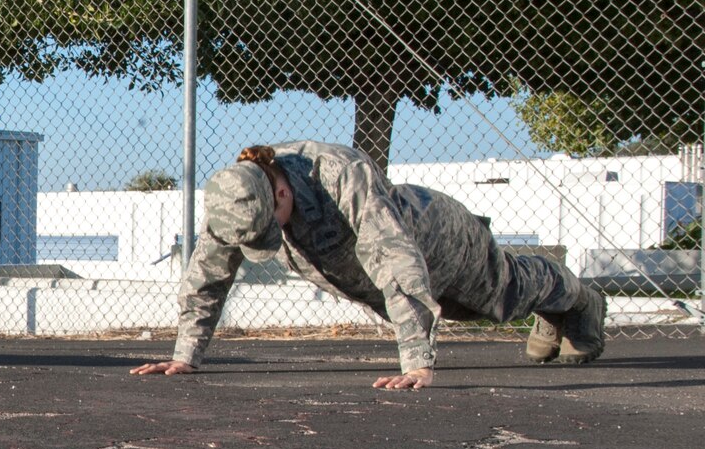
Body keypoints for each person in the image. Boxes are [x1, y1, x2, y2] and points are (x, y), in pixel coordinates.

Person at [132, 141, 605, 390]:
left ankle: (581, 300)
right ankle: (552, 311)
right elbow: (206, 278)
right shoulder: (233, 200)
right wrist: (185, 355)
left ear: (280, 191)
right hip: (368, 276)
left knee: (503, 294)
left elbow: (395, 260)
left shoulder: (338, 173)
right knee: (468, 312)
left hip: (438, 238)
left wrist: (417, 364)